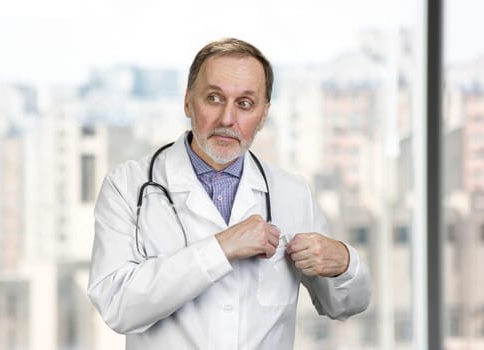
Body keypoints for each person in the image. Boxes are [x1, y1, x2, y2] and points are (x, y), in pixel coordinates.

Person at [87, 37, 371, 350]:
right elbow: (116, 307)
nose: (227, 119)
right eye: (213, 98)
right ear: (187, 102)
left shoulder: (292, 193)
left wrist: (345, 263)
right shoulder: (127, 186)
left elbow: (342, 305)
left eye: (245, 104)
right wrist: (222, 247)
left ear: (263, 114)